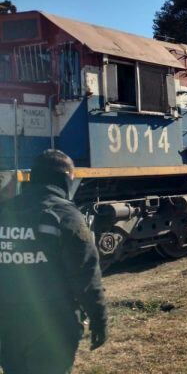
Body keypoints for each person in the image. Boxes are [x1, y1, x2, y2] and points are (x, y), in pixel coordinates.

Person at [0, 150, 108, 374]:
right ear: (67, 178)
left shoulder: (5, 211)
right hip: (52, 323)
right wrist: (99, 320)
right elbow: (86, 275)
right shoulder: (66, 216)